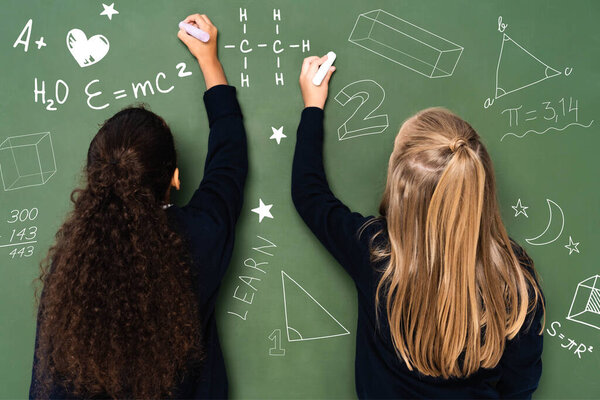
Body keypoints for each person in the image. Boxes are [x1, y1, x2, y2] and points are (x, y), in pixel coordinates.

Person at [292, 55, 545, 398]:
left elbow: (309, 194)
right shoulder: (515, 279)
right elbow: (521, 384)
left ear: (400, 190)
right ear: (478, 186)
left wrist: (312, 106)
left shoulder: (378, 254)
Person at [29, 14, 246, 399]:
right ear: (174, 178)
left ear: (95, 178)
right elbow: (228, 162)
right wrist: (210, 63)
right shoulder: (198, 239)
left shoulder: (67, 271)